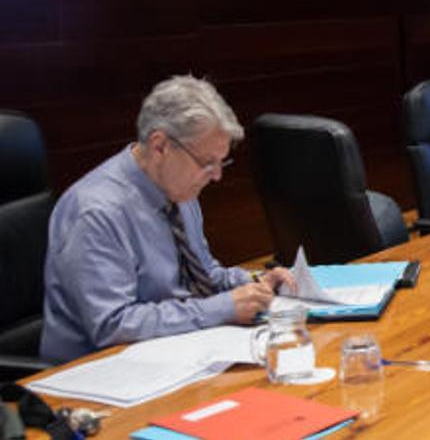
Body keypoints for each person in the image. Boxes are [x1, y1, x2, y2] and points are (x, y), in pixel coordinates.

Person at [41, 76, 295, 364]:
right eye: (207, 163)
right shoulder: (97, 212)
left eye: (221, 162)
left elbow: (204, 274)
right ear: (160, 146)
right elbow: (113, 325)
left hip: (173, 352)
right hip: (97, 374)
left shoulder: (179, 191)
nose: (217, 176)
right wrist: (222, 308)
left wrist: (254, 283)